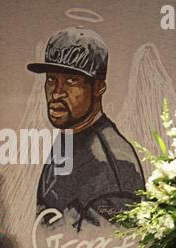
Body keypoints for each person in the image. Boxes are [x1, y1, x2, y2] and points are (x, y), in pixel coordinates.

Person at [27, 26, 145, 233]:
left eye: (71, 80)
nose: (56, 93)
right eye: (51, 79)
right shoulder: (71, 133)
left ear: (99, 87)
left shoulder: (111, 163)